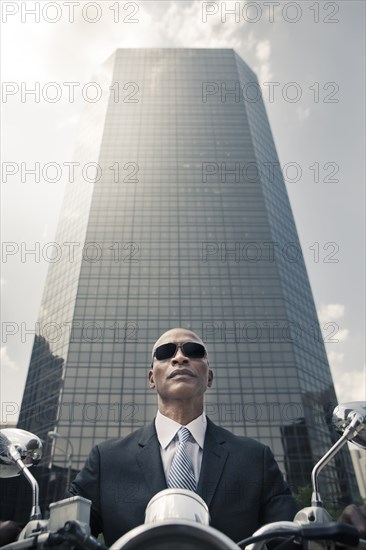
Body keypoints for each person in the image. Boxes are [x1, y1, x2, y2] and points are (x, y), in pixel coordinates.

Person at [69, 327, 300, 545]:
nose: (180, 358)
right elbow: (66, 536)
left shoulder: (255, 458)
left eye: (194, 351)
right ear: (151, 378)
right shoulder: (106, 460)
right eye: (165, 353)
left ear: (209, 377)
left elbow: (294, 541)